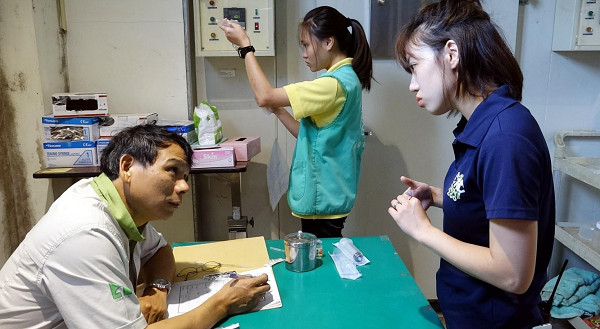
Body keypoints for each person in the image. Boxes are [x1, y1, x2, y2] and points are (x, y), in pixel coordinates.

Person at [0, 125, 270, 328]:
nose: (184, 186)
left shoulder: (115, 203)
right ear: (127, 166)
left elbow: (160, 250)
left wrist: (159, 290)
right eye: (172, 171)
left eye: (186, 176)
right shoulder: (84, 232)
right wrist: (223, 303)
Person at [387, 1, 555, 328]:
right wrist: (439, 196)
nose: (412, 84)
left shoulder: (505, 137)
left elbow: (512, 273)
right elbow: (487, 200)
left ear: (451, 54)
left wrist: (422, 230)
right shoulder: (483, 125)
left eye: (415, 66)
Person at [219, 6, 373, 238]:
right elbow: (309, 133)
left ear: (329, 42)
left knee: (322, 261)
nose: (304, 53)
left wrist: (245, 46)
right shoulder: (346, 78)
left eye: (306, 45)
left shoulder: (332, 84)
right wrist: (279, 111)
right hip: (330, 195)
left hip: (322, 197)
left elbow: (264, 95)